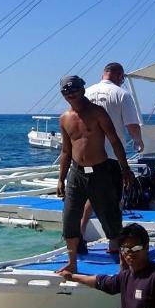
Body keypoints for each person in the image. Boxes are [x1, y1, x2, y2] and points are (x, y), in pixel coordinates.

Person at [57, 75, 135, 272]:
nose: (71, 94)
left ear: (82, 89)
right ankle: (72, 263)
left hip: (100, 171)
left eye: (74, 90)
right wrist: (60, 179)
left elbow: (115, 141)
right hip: (76, 173)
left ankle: (123, 262)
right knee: (70, 217)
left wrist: (124, 168)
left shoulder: (98, 113)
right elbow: (66, 150)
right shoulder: (64, 118)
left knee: (110, 216)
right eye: (66, 92)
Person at [80, 62, 144, 248]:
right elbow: (132, 125)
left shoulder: (86, 93)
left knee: (91, 196)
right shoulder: (122, 94)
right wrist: (139, 141)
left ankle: (80, 233)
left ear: (103, 74)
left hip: (88, 156)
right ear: (120, 76)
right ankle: (114, 243)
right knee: (113, 198)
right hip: (110, 157)